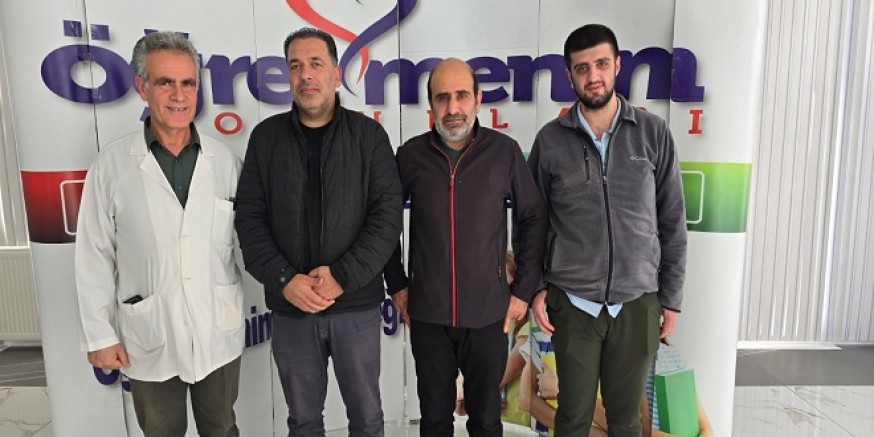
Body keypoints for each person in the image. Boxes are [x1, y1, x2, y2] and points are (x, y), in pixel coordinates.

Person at [234, 27, 402, 436]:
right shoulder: (265, 139)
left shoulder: (369, 137)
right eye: (295, 66)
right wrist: (285, 281)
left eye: (315, 64)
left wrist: (342, 277)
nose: (305, 75)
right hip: (291, 309)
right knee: (304, 422)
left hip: (354, 305)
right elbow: (250, 220)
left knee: (367, 419)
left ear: (336, 74)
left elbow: (386, 219)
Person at [75, 32, 244, 436]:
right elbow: (94, 254)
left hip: (216, 328)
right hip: (150, 332)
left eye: (188, 83)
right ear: (142, 87)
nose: (179, 95)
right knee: (160, 431)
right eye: (165, 82)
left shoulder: (225, 160)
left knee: (222, 428)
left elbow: (252, 238)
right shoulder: (111, 165)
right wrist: (100, 335)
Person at [528, 23, 688, 437]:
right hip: (573, 302)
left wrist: (670, 298)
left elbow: (672, 220)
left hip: (637, 303)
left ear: (617, 65)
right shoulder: (550, 141)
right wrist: (537, 287)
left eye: (601, 64)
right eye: (582, 68)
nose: (593, 76)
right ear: (569, 75)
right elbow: (533, 222)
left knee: (626, 421)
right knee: (572, 418)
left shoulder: (653, 133)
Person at [383, 58, 546, 437]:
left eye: (461, 96)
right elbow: (383, 222)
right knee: (435, 422)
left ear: (478, 99)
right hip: (428, 315)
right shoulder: (410, 155)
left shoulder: (504, 152)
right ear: (430, 105)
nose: (452, 108)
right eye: (442, 98)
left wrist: (523, 291)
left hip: (488, 315)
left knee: (486, 422)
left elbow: (534, 217)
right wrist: (397, 284)